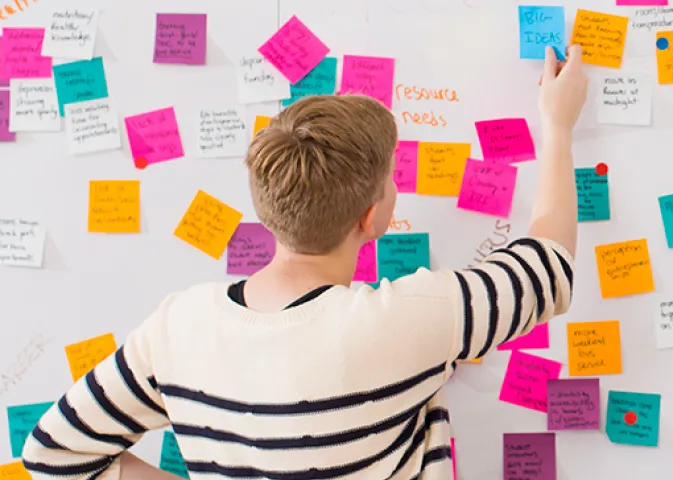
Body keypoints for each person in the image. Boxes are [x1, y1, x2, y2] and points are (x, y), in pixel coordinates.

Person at [21, 44, 589, 480]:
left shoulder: (178, 325)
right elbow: (551, 265)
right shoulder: (407, 318)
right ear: (370, 218)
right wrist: (558, 126)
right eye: (391, 179)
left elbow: (53, 452)